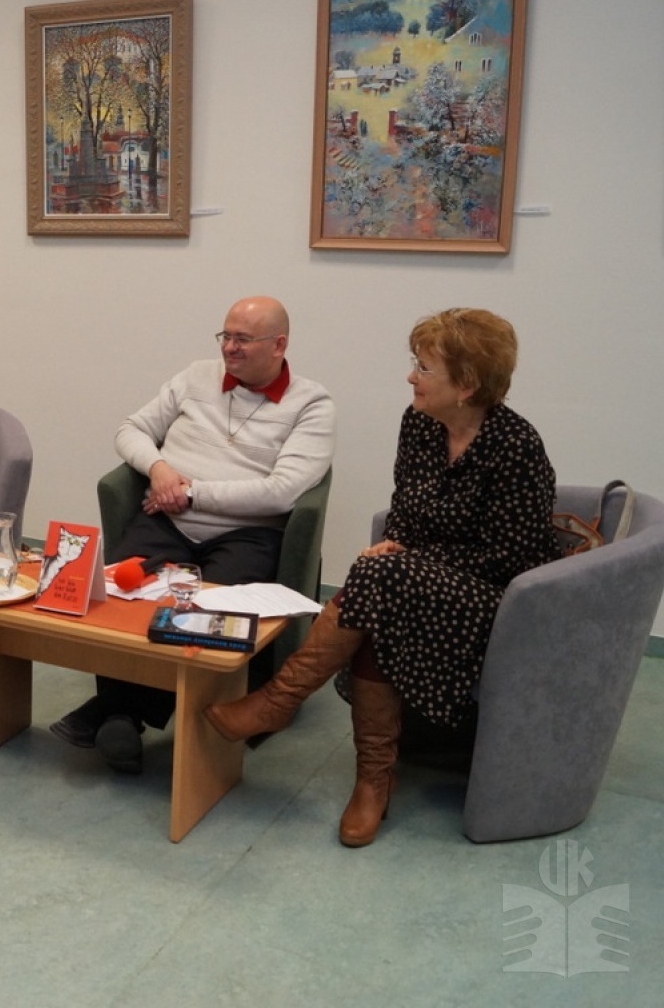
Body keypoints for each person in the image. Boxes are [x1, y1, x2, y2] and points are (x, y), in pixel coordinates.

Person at [204, 308, 558, 847]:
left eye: (425, 368)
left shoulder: (516, 446)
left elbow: (511, 559)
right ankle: (371, 778)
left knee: (382, 581)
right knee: (380, 590)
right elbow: (405, 511)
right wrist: (394, 546)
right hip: (411, 583)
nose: (411, 377)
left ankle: (284, 706)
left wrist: (408, 564)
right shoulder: (419, 424)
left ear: (466, 384)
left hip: (497, 599)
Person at [50, 296, 335, 772]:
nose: (229, 348)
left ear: (278, 345)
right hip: (167, 520)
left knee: (203, 614)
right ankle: (122, 711)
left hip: (247, 534)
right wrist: (159, 470)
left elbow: (283, 492)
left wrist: (191, 493)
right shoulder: (194, 377)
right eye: (226, 336)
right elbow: (130, 429)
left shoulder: (312, 404)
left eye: (243, 339)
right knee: (117, 594)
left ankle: (120, 711)